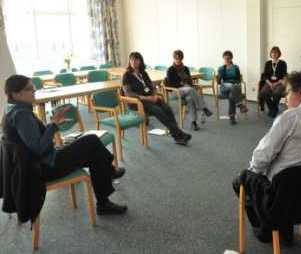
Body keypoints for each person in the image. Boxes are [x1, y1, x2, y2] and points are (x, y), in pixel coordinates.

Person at [233, 71, 301, 243]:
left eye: (288, 92)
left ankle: (268, 229)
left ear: (299, 93)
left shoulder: (290, 117)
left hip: (287, 199)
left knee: (241, 179)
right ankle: (282, 229)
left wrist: (252, 175)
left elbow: (262, 156)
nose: (285, 98)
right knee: (289, 173)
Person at [2, 75, 127, 215]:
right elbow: (38, 148)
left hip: (37, 164)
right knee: (91, 141)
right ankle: (107, 182)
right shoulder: (21, 115)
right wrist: (53, 124)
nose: (34, 90)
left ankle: (105, 194)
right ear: (16, 94)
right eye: (30, 88)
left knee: (94, 154)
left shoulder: (11, 110)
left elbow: (33, 143)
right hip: (43, 168)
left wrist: (51, 125)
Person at [122, 52, 191, 145]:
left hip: (150, 99)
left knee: (167, 108)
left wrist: (154, 95)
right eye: (132, 59)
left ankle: (177, 135)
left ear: (140, 61)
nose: (134, 61)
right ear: (129, 61)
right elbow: (129, 94)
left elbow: (151, 87)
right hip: (137, 102)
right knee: (158, 110)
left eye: (136, 59)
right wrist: (148, 98)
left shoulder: (143, 73)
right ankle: (178, 134)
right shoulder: (126, 75)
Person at [165, 50, 213, 130]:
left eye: (179, 58)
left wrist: (186, 84)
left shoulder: (186, 69)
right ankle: (204, 108)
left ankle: (193, 123)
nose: (178, 60)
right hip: (174, 91)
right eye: (176, 58)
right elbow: (171, 84)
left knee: (190, 99)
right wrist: (183, 84)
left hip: (185, 90)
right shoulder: (170, 69)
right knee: (190, 89)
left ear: (182, 58)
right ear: (174, 58)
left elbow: (190, 81)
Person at [216, 50, 248, 125]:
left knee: (231, 96)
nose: (226, 60)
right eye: (225, 58)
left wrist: (236, 83)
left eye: (228, 58)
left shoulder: (236, 67)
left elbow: (238, 79)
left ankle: (232, 117)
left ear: (231, 58)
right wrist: (220, 74)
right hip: (224, 87)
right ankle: (240, 105)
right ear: (223, 58)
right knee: (232, 87)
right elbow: (218, 82)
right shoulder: (221, 68)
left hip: (234, 87)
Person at [258, 46, 288, 118]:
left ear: (279, 54)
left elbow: (284, 76)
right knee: (263, 93)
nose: (274, 54)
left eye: (276, 53)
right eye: (272, 53)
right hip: (269, 82)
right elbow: (265, 75)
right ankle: (273, 108)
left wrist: (275, 83)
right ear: (270, 54)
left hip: (279, 82)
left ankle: (273, 110)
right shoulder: (268, 63)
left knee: (277, 93)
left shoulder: (283, 63)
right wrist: (270, 83)